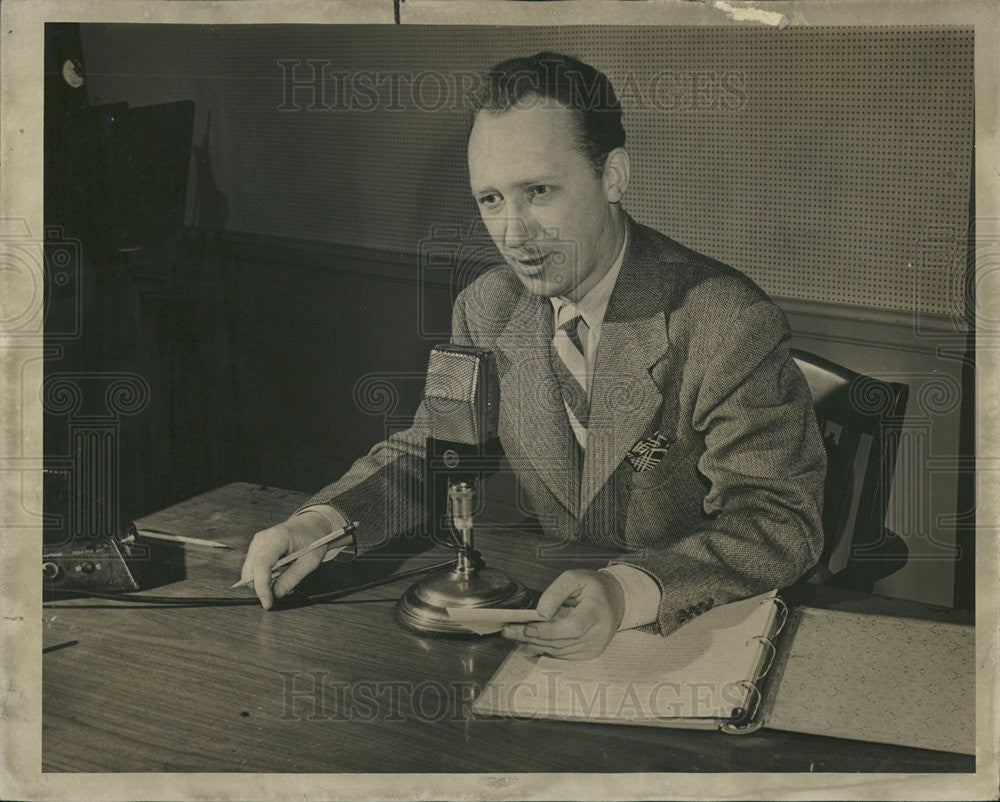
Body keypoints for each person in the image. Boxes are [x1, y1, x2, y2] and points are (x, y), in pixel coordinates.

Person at [240, 52, 826, 660]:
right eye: (491, 199)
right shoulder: (487, 307)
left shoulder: (724, 320)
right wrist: (320, 526)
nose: (513, 234)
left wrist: (627, 592)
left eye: (538, 191)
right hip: (559, 627)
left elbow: (778, 520)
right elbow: (435, 454)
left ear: (613, 177)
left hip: (696, 632)